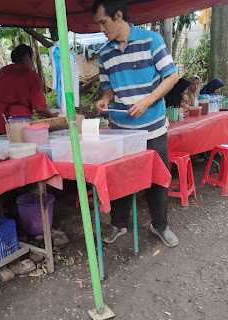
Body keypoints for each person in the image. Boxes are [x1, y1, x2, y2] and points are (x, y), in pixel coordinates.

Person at [92, 0, 180, 247]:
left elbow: (171, 76)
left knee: (158, 177)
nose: (101, 28)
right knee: (120, 178)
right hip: (121, 130)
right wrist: (104, 99)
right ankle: (119, 224)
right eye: (98, 23)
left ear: (118, 15)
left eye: (103, 22)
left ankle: (160, 225)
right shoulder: (105, 53)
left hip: (152, 126)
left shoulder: (151, 40)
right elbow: (108, 88)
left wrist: (147, 101)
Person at [0, 44, 57, 137]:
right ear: (27, 57)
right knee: (20, 150)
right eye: (32, 58)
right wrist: (52, 116)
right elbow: (39, 107)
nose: (32, 62)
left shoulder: (1, 72)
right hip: (16, 124)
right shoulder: (30, 75)